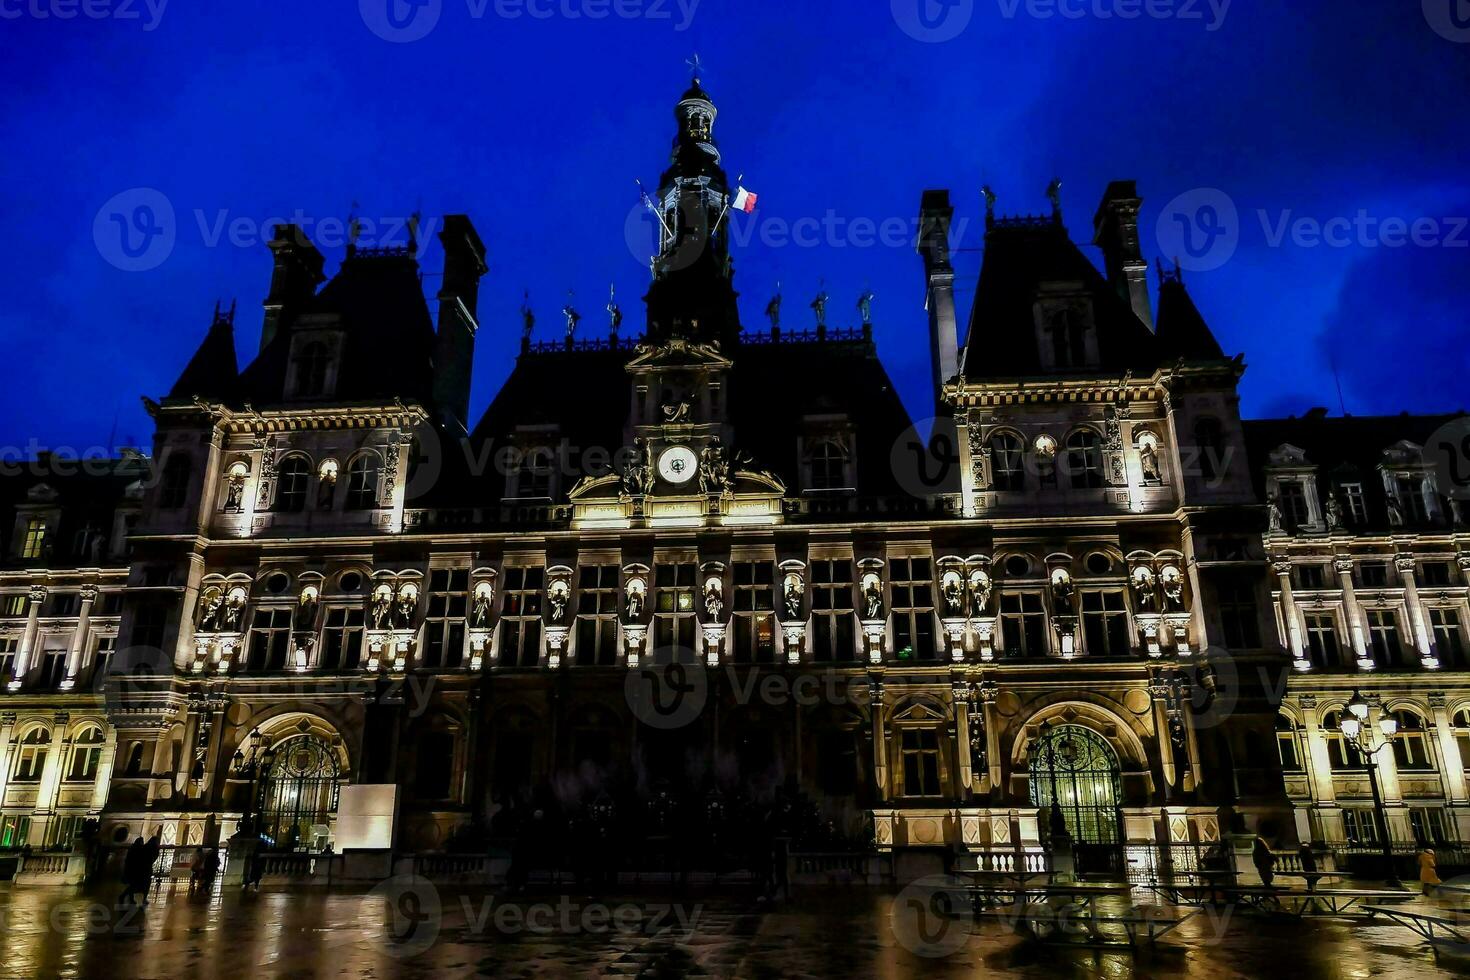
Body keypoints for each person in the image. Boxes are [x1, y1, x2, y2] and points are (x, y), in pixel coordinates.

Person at [120, 836, 146, 905]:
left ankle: (130, 898)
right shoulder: (138, 849)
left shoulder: (133, 848)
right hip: (134, 870)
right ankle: (124, 896)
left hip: (130, 869)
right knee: (133, 886)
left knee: (133, 885)